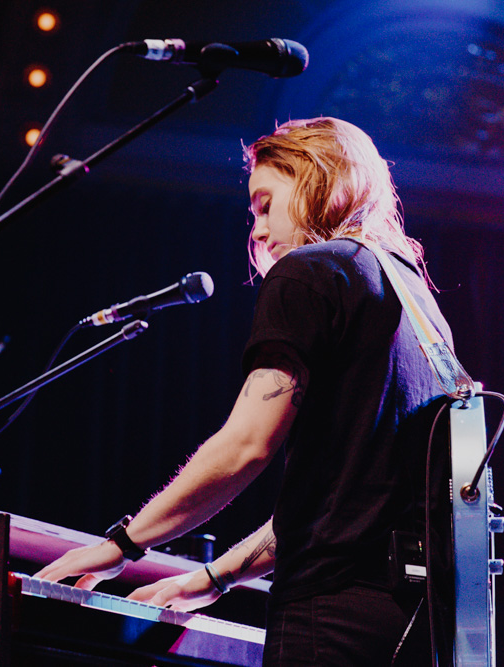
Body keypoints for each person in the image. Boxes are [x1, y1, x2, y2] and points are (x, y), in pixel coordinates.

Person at [35, 117, 454, 665]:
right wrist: (212, 579)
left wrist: (120, 547)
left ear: (319, 180)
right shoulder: (418, 305)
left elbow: (245, 446)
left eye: (264, 204)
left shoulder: (310, 272)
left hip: (329, 620)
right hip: (413, 624)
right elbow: (344, 506)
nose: (255, 230)